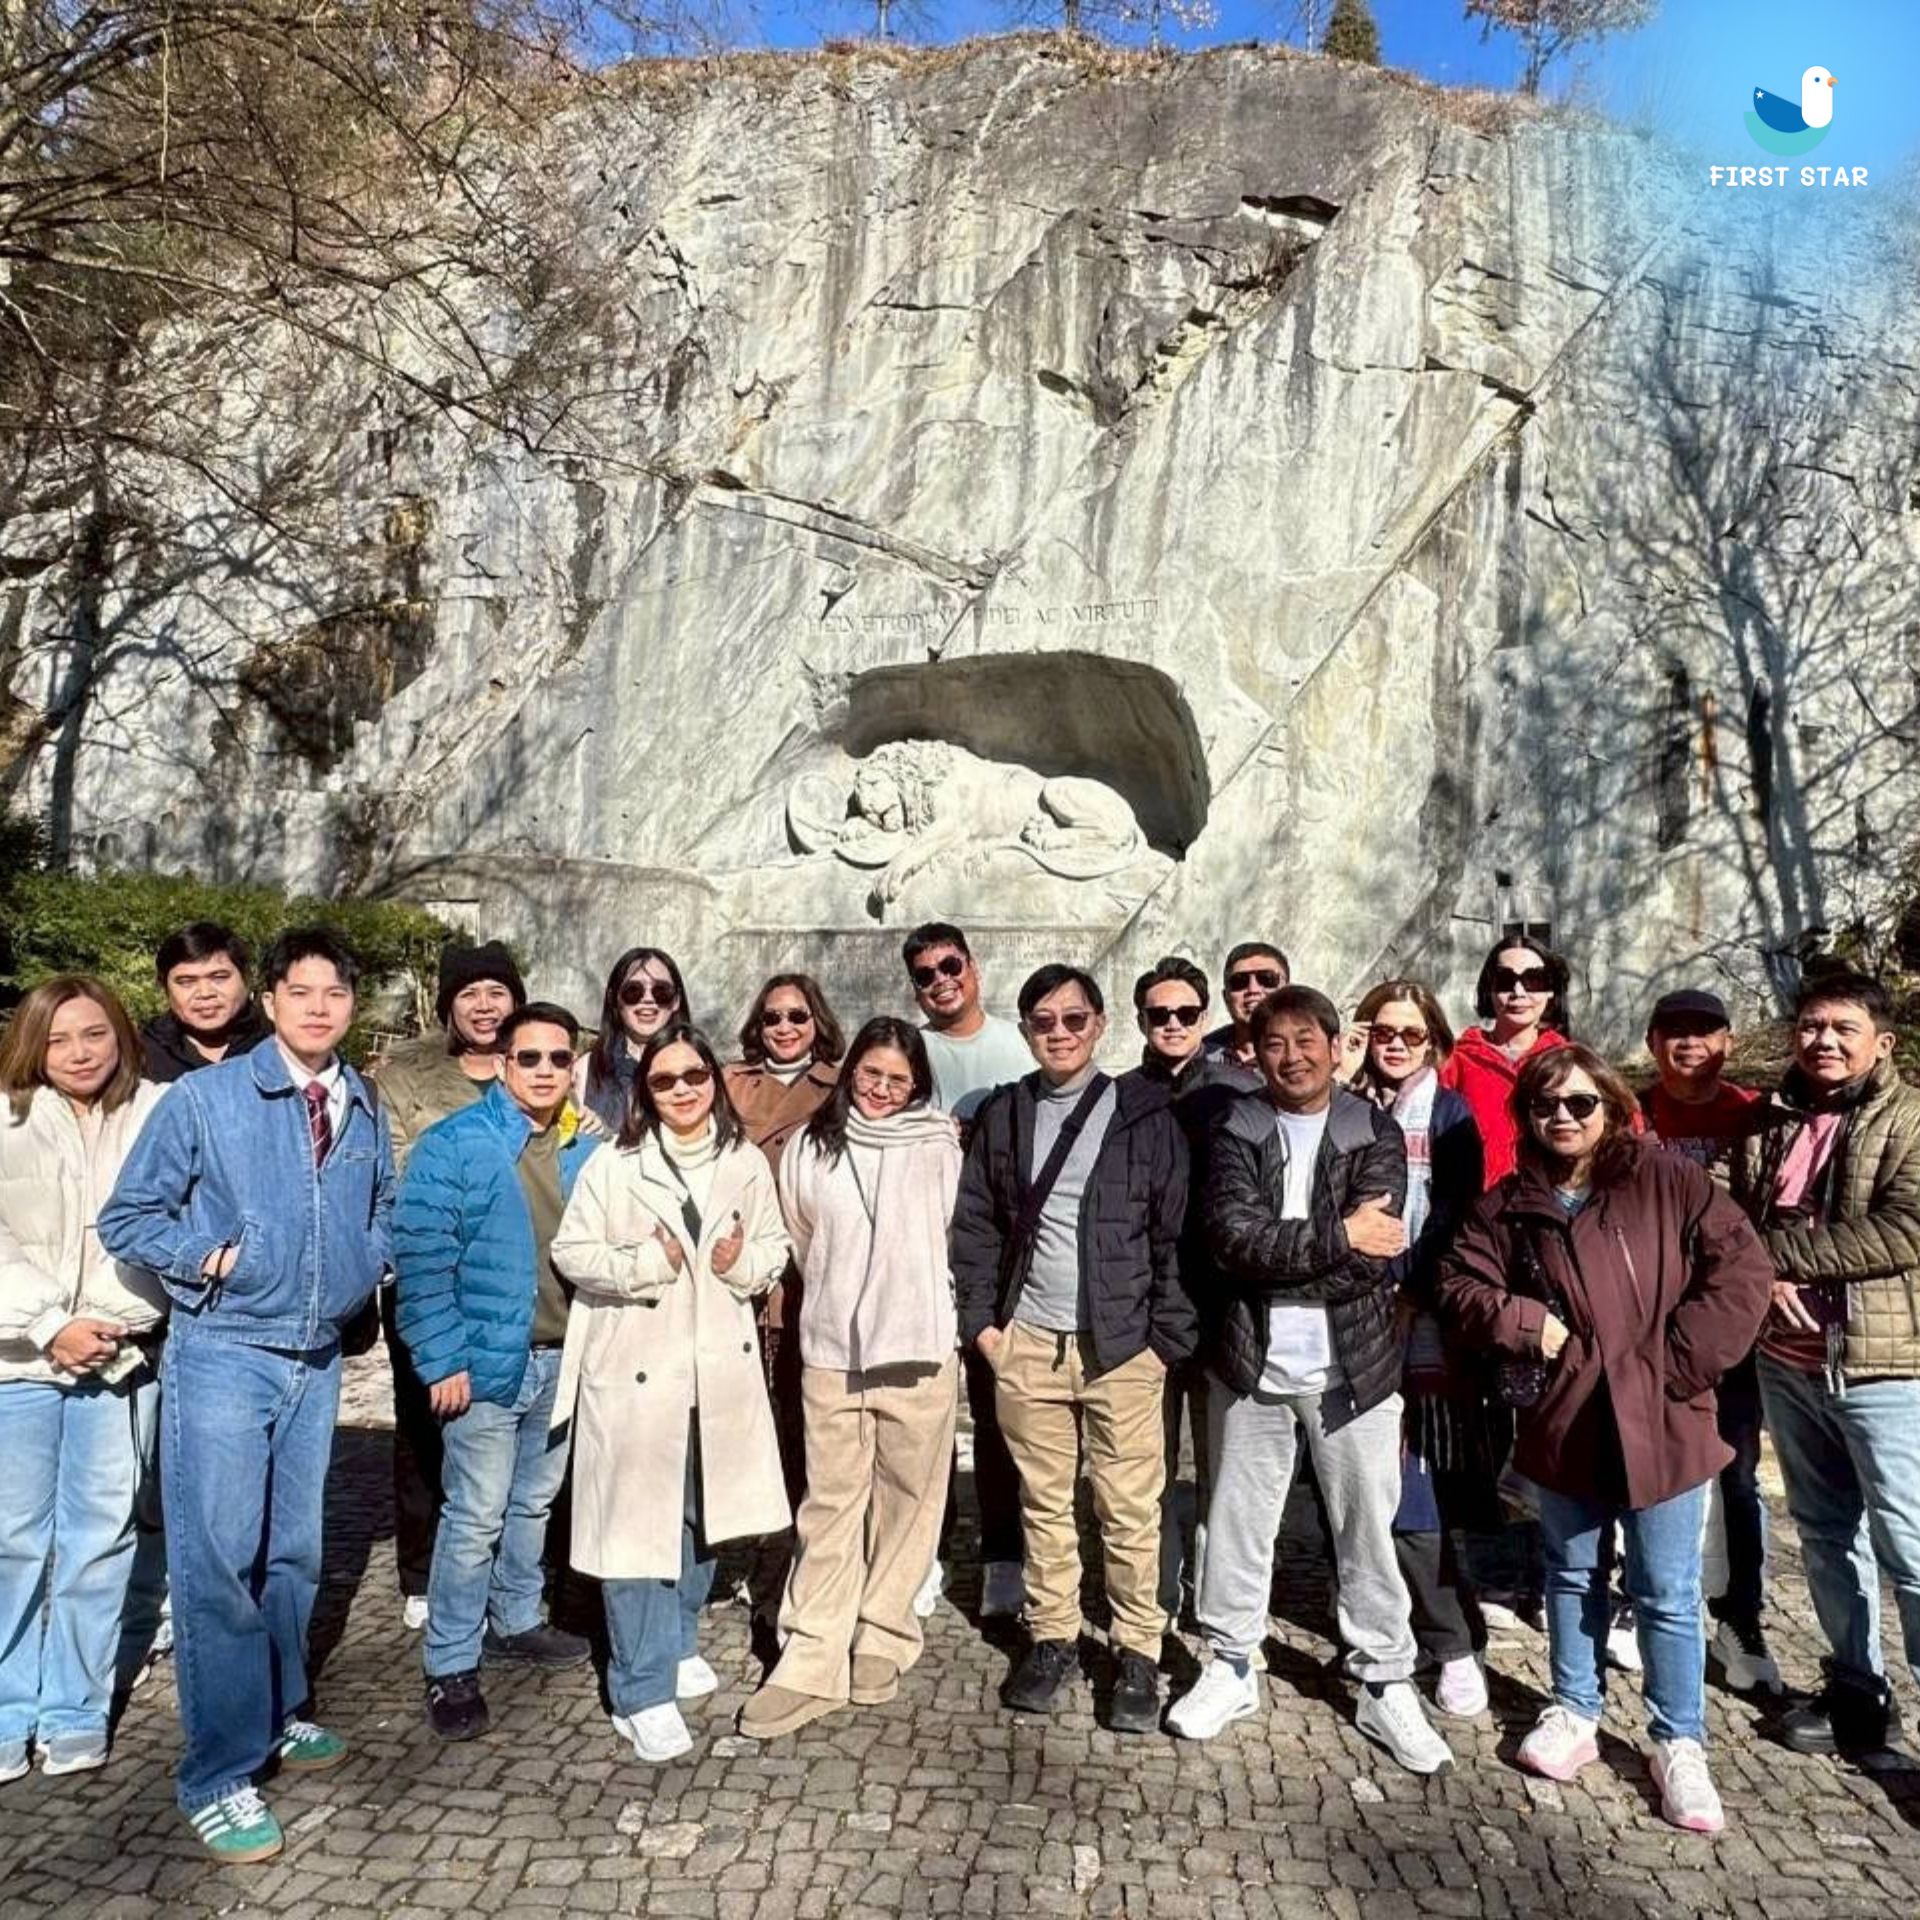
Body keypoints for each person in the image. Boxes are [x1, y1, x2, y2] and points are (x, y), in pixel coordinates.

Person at [100, 927, 395, 1864]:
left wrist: (364, 1264)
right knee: (220, 1562)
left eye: (335, 993)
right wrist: (209, 1260)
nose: (318, 1008)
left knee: (294, 1554)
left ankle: (277, 1707)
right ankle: (218, 1773)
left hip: (316, 1358)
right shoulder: (205, 1097)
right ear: (269, 1002)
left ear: (352, 1005)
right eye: (299, 992)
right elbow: (128, 1217)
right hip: (225, 1352)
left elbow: (380, 1208)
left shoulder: (361, 1099)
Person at [1441, 1044, 1771, 1834]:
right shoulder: (1510, 1202)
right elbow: (1460, 1281)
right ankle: (1574, 1708)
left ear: (1613, 1109)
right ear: (1526, 1116)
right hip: (1568, 1415)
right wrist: (1525, 1324)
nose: (1563, 1116)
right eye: (1545, 1104)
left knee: (1666, 1589)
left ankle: (1678, 1739)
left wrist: (1678, 1365)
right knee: (1571, 1572)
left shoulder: (1667, 1181)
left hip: (1665, 1416)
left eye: (1581, 1103)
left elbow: (1742, 1271)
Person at [1170, 985, 1452, 1775]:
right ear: (1255, 1053)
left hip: (1351, 1367)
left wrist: (1287, 1252)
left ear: (1336, 1046)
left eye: (1306, 1041)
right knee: (1236, 1520)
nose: (1291, 1057)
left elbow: (1373, 1258)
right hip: (1250, 1360)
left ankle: (1384, 1678)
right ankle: (1231, 1662)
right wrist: (1334, 1237)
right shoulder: (1234, 1128)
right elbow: (1230, 1242)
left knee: (1367, 1527)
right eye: (1274, 1043)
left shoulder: (1373, 1130)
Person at [951, 964, 1193, 1735]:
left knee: (1128, 1509)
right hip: (1028, 1342)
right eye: (1044, 1021)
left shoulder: (1144, 1114)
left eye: (1074, 1019)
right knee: (1044, 1503)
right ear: (1026, 1030)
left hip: (1123, 1348)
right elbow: (976, 1224)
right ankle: (1053, 1636)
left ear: (1099, 1025)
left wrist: (1164, 1342)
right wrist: (984, 1327)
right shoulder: (1006, 1113)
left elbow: (1174, 1234)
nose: (1060, 1033)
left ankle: (1137, 1650)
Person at [551, 1024, 789, 1765]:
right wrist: (644, 1263)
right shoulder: (614, 1164)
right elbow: (571, 1250)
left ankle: (678, 1639)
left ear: (713, 1081)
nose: (682, 1089)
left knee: (702, 1519)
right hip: (636, 1370)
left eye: (694, 1076)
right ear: (645, 1093)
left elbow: (775, 1247)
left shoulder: (743, 1161)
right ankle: (640, 1690)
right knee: (635, 1532)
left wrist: (740, 1261)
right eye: (664, 1079)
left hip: (714, 1374)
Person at [739, 1019, 961, 1738]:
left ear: (917, 1084)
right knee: (831, 1504)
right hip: (835, 1351)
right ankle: (812, 1653)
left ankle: (884, 1632)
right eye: (871, 1074)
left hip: (919, 1349)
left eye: (898, 1080)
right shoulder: (813, 1145)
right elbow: (804, 1239)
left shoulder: (939, 1145)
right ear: (851, 1071)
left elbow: (952, 1234)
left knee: (908, 1504)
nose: (882, 1090)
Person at [393, 1003, 599, 1743]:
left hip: (562, 1358)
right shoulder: (455, 1143)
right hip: (484, 1363)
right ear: (504, 1064)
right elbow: (420, 1258)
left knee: (532, 1502)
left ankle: (514, 1619)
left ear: (573, 1068)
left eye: (558, 1058)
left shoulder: (586, 1148)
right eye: (529, 1057)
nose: (544, 1070)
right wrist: (441, 1357)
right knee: (475, 1513)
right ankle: (450, 1662)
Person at [1732, 971, 1920, 1757]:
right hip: (1787, 1364)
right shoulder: (1768, 1119)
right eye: (1811, 1026)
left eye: (1844, 1028)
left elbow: (1903, 1229)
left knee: (1910, 1547)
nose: (1825, 1042)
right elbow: (1725, 1214)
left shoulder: (1911, 1121)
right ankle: (1857, 1690)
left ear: (1883, 1042)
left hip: (1882, 1370)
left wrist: (1767, 1257)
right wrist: (1758, 1270)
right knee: (1823, 1534)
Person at [0, 978, 165, 1785]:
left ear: (120, 1035)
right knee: (12, 1542)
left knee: (100, 1539)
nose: (78, 1053)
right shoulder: (5, 1117)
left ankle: (75, 1706)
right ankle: (7, 1708)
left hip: (116, 1354)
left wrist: (103, 1319)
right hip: (15, 1362)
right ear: (32, 1043)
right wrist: (47, 1324)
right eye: (58, 1038)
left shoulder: (158, 1111)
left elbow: (172, 1221)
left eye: (94, 1034)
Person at [372, 939, 529, 1633]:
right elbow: (396, 1170)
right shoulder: (404, 1075)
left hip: (518, 1276)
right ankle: (423, 1566)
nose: (485, 1006)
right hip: (432, 1270)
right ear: (448, 1006)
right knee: (424, 1423)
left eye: (497, 992)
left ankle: (510, 1568)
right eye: (469, 994)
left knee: (513, 1421)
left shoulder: (540, 1063)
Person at [1346, 979, 1490, 1719]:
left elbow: (1459, 1220)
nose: (1396, 1045)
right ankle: (1383, 1625)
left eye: (1411, 1033)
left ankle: (1453, 1640)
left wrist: (1411, 1291)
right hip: (1350, 1315)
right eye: (1383, 1032)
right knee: (1359, 1484)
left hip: (1418, 1317)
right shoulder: (1349, 1105)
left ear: (1434, 1041)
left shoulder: (1449, 1114)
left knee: (1413, 1482)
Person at [1641, 988, 1776, 1696]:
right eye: (1674, 1031)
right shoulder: (1631, 1112)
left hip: (1728, 1323)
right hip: (1645, 1319)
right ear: (1652, 1043)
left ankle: (1739, 1616)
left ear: (1727, 1042)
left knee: (1737, 1472)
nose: (1688, 1043)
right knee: (1641, 1461)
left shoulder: (1755, 1116)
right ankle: (1641, 1600)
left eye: (1704, 1031)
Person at [902, 921, 1030, 1618]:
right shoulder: (908, 1050)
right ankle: (927, 1551)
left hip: (997, 1257)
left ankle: (1003, 1555)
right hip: (920, 1252)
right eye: (925, 974)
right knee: (923, 1420)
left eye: (949, 965)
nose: (941, 981)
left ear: (973, 967)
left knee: (996, 1412)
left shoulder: (1017, 1043)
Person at [1126, 956, 1257, 1627]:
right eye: (1160, 1014)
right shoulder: (1122, 1096)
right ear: (1141, 1021)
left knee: (1220, 1465)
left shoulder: (1241, 1092)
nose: (1172, 1024)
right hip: (1145, 1301)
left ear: (1205, 1018)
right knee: (1145, 1463)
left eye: (1185, 1013)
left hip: (1218, 1302)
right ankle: (1154, 1591)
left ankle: (1216, 1595)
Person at [722, 973, 845, 1516]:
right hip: (740, 1259)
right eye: (772, 1017)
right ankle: (755, 1528)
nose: (785, 1027)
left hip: (809, 1265)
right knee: (747, 1409)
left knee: (803, 1407)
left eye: (798, 1015)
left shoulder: (841, 1084)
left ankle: (802, 1526)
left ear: (817, 1020)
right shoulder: (729, 1082)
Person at [1441, 936, 1572, 1189]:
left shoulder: (1570, 1060)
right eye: (1505, 981)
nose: (1518, 993)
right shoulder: (1457, 1061)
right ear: (1488, 989)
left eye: (1533, 980)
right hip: (1474, 1204)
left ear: (1550, 990)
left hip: (1549, 1202)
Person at [575, 947, 690, 1134]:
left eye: (661, 991)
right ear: (613, 998)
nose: (648, 1000)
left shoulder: (700, 1067)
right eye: (633, 990)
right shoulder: (585, 1068)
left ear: (676, 1000)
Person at [140, 924, 271, 1083]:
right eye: (186, 982)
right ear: (165, 988)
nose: (205, 993)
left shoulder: (280, 1043)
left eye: (219, 978)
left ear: (246, 978)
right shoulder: (140, 1054)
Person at [1203, 942, 1290, 1071]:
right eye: (1239, 981)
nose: (1253, 989)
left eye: (1267, 979)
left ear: (1289, 992)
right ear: (1226, 997)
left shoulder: (1308, 1054)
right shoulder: (1200, 1055)